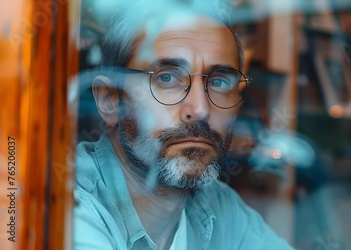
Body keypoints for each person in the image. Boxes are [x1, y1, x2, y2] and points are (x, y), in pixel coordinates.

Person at [73, 0, 293, 249]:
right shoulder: (68, 207)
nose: (200, 109)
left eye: (219, 82)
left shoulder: (219, 205)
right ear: (110, 100)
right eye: (166, 78)